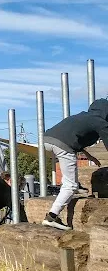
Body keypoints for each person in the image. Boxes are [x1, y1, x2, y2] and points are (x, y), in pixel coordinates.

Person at [42, 98, 108, 230]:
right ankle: (51, 217)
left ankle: (75, 186)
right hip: (63, 144)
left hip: (47, 139)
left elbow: (74, 137)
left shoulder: (84, 116)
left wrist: (89, 156)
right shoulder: (100, 122)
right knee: (70, 185)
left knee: (70, 173)